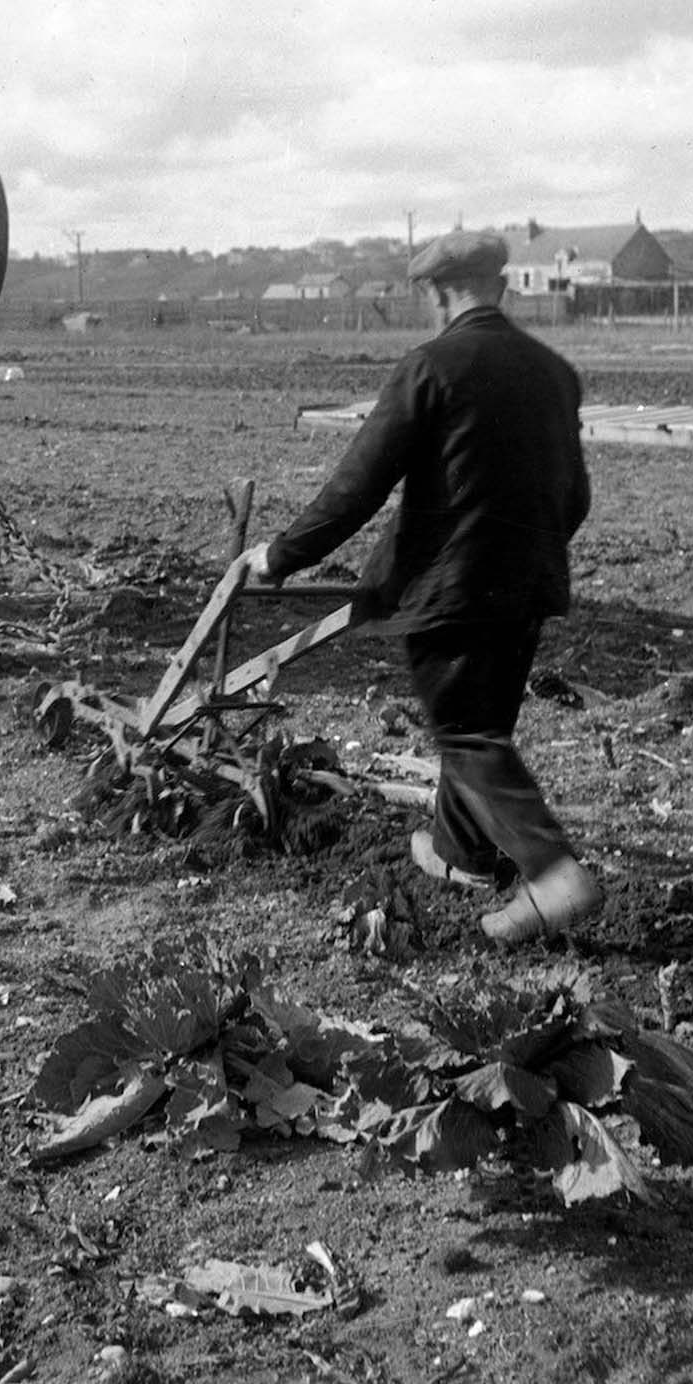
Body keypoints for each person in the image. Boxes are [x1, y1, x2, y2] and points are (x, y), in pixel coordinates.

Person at [240, 229, 603, 947]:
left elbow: (358, 486)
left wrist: (280, 556)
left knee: (465, 733)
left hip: (452, 589)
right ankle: (461, 853)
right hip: (526, 586)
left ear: (438, 294)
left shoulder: (431, 367)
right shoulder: (554, 371)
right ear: (498, 285)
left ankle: (554, 872)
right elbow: (577, 495)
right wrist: (525, 555)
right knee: (480, 725)